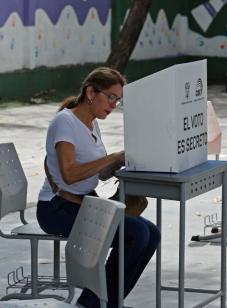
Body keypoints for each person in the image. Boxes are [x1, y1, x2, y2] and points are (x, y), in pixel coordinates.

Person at [36, 67, 160, 307]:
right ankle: (95, 303)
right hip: (57, 208)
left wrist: (126, 162)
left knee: (151, 234)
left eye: (118, 100)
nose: (114, 105)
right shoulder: (65, 122)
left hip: (83, 201)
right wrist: (112, 157)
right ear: (91, 92)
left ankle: (103, 301)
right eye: (111, 97)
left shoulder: (92, 123)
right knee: (137, 234)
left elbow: (98, 174)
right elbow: (70, 174)